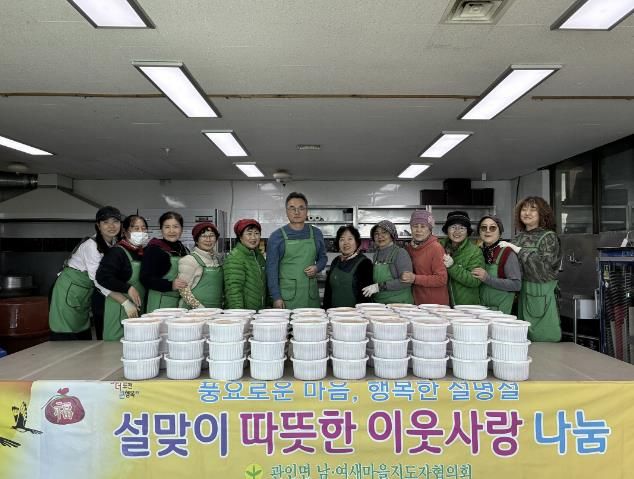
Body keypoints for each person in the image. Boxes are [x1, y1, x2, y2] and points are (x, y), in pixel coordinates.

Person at [49, 206, 122, 340]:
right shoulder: (91, 245)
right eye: (106, 222)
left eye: (115, 221)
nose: (111, 226)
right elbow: (98, 279)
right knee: (66, 334)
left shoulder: (113, 243)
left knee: (81, 332)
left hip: (83, 291)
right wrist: (123, 300)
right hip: (69, 290)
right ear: (98, 226)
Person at [499, 197, 562, 342]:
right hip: (519, 294)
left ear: (542, 213)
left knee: (543, 341)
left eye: (533, 209)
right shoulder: (518, 238)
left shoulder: (549, 237)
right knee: (520, 341)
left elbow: (544, 270)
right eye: (524, 209)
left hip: (540, 294)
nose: (527, 213)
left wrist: (518, 250)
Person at [266, 192, 328, 309]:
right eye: (292, 208)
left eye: (301, 208)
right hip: (286, 297)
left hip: (310, 295)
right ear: (286, 211)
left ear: (307, 211)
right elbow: (271, 270)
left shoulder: (316, 233)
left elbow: (323, 258)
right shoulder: (276, 237)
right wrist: (276, 297)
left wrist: (317, 267)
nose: (297, 212)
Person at [96, 214, 149, 340]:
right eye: (136, 228)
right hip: (119, 307)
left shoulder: (141, 252)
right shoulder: (117, 252)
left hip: (137, 306)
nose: (140, 232)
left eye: (143, 228)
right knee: (117, 345)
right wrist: (128, 288)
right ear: (125, 231)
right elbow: (102, 277)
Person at [472, 215, 521, 314]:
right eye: (484, 227)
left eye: (493, 228)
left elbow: (516, 285)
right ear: (479, 232)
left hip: (500, 313)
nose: (488, 231)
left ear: (500, 232)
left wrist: (487, 279)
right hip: (480, 310)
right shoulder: (477, 251)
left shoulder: (507, 252)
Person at [140, 211, 188, 312]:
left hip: (180, 302)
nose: (171, 231)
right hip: (159, 303)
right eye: (167, 227)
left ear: (181, 229)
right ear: (161, 230)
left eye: (175, 227)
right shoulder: (154, 250)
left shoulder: (184, 250)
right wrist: (170, 285)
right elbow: (145, 278)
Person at [402, 210, 449, 306]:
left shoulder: (436, 248)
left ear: (430, 229)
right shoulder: (409, 248)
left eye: (423, 226)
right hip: (417, 301)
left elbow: (441, 279)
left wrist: (415, 278)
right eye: (415, 226)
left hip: (435, 304)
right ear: (411, 228)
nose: (418, 230)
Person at [362, 220, 414, 304]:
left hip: (399, 304)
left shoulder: (400, 253)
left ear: (392, 235)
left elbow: (406, 282)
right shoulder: (376, 255)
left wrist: (379, 287)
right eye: (376, 234)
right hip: (380, 303)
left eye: (384, 232)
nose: (380, 236)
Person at [439, 211, 485, 306]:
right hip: (443, 305)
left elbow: (475, 281)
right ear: (447, 230)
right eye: (453, 227)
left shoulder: (475, 252)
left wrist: (452, 267)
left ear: (467, 231)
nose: (457, 231)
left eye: (462, 228)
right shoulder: (439, 247)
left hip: (466, 306)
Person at [324, 225, 373, 308]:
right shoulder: (336, 261)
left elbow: (366, 296)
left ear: (356, 242)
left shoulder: (365, 263)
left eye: (350, 239)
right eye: (342, 239)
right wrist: (326, 310)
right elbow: (328, 291)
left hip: (355, 313)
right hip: (333, 312)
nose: (346, 243)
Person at [223, 219, 268, 310]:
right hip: (243, 314)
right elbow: (233, 290)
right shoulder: (235, 257)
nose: (253, 237)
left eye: (256, 233)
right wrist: (238, 314)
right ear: (240, 237)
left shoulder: (258, 256)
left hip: (258, 312)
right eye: (249, 233)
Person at [178, 222, 224, 309]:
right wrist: (201, 309)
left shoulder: (217, 260)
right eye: (203, 236)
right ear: (196, 240)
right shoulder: (189, 260)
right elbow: (183, 290)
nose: (208, 240)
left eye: (211, 236)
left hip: (216, 310)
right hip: (193, 312)